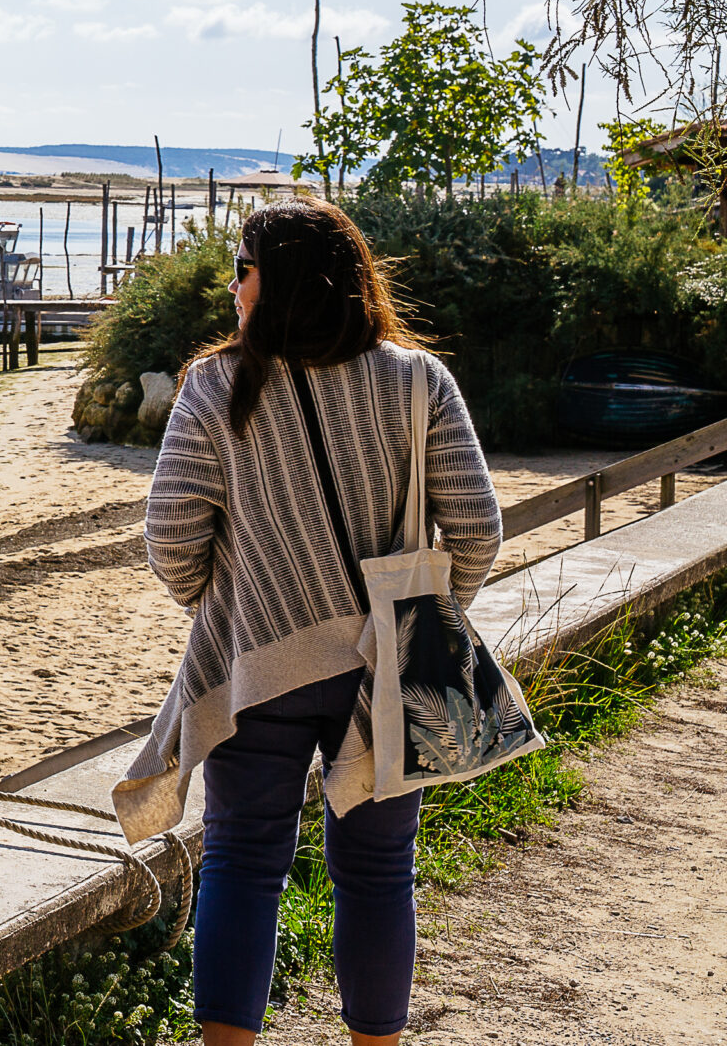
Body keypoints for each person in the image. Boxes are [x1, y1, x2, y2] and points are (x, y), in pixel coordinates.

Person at [111, 199, 500, 1045]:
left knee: (244, 866)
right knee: (378, 873)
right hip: (388, 665)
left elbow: (171, 535)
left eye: (241, 269)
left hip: (260, 666)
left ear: (273, 280)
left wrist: (231, 606)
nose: (232, 286)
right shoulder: (417, 379)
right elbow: (476, 527)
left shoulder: (217, 383)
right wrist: (423, 626)